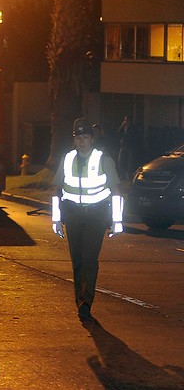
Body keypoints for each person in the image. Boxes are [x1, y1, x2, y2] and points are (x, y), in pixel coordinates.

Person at [51, 117, 124, 321]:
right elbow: (57, 191)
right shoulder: (67, 159)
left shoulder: (103, 159)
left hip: (96, 215)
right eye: (78, 137)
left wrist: (117, 221)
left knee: (90, 258)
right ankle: (80, 300)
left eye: (85, 136)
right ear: (74, 139)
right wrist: (56, 220)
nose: (82, 140)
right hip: (73, 214)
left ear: (92, 138)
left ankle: (86, 302)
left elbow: (116, 190)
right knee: (78, 260)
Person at [117, 115, 137, 180]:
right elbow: (118, 133)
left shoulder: (132, 128)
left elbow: (131, 136)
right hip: (123, 146)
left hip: (129, 146)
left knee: (129, 162)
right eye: (125, 120)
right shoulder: (123, 127)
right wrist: (122, 126)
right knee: (121, 161)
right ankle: (122, 174)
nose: (126, 121)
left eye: (127, 120)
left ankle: (128, 175)